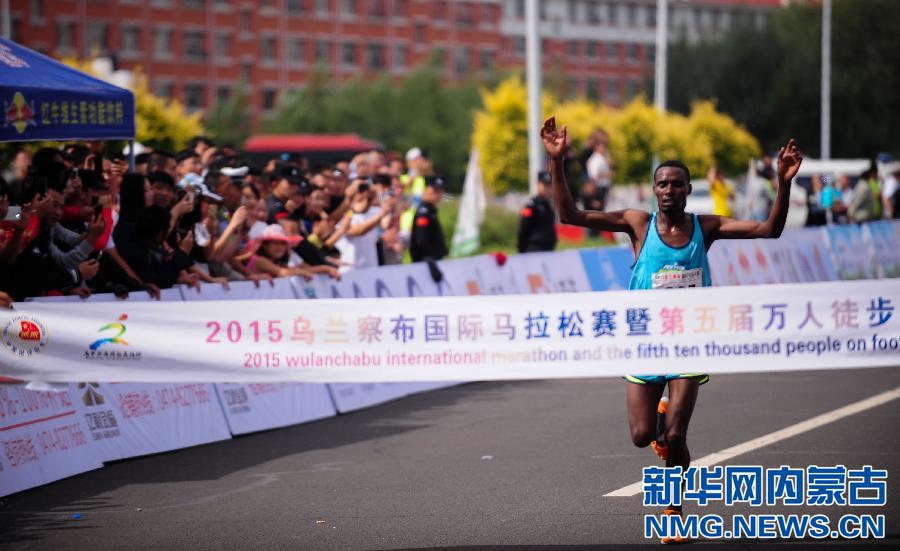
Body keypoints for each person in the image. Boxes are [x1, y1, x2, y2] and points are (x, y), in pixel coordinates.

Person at [541, 116, 802, 544]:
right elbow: (570, 214)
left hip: (689, 342)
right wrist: (557, 160)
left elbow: (769, 230)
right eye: (662, 184)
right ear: (654, 190)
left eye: (677, 184)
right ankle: (660, 422)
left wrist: (784, 183)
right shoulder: (637, 224)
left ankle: (674, 511)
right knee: (642, 436)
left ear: (688, 189)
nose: (669, 190)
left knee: (678, 435)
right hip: (645, 342)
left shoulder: (705, 227)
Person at [409, 176, 447, 263]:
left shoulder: (430, 210)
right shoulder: (423, 212)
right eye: (435, 191)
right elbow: (421, 239)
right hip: (426, 262)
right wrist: (428, 258)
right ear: (426, 190)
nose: (438, 194)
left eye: (440, 191)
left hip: (434, 260)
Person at [517, 171, 557, 253]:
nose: (548, 189)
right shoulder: (532, 205)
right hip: (534, 249)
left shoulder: (548, 205)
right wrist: (521, 249)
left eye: (550, 186)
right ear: (538, 185)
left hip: (548, 249)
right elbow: (523, 228)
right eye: (545, 185)